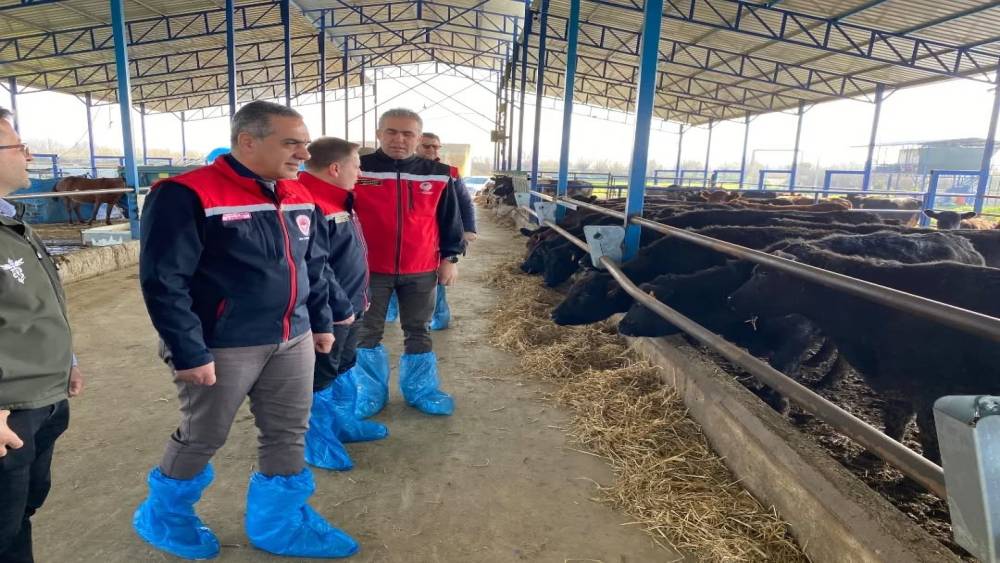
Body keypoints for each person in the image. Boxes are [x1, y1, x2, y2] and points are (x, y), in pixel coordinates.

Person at [134, 101, 358, 559]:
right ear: (247, 141)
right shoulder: (186, 194)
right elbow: (164, 281)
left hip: (293, 337)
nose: (303, 153)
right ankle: (165, 515)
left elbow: (312, 265)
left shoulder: (298, 193)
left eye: (305, 143)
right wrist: (188, 351)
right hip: (223, 343)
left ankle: (278, 524)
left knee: (288, 432)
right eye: (291, 143)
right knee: (204, 434)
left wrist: (319, 322)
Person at [0, 106, 85, 563]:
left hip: (40, 398)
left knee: (19, 515)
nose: (29, 156)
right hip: (8, 409)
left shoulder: (13, 222)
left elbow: (34, 303)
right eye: (19, 146)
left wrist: (67, 361)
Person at [351, 109, 464, 418]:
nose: (399, 139)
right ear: (379, 133)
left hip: (421, 268)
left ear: (418, 137)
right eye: (391, 132)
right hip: (369, 270)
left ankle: (421, 390)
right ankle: (368, 392)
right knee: (367, 331)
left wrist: (450, 258)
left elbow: (450, 220)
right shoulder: (358, 169)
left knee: (418, 329)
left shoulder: (438, 173)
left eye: (407, 133)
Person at [298, 137, 388, 472]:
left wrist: (358, 300)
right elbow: (314, 267)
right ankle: (318, 442)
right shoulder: (309, 204)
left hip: (352, 305)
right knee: (321, 374)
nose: (360, 173)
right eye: (356, 165)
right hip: (328, 313)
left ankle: (343, 424)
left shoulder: (339, 199)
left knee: (345, 364)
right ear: (335, 168)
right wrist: (338, 308)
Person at [415, 132, 477, 330]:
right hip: (411, 233)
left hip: (438, 233)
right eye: (427, 146)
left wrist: (469, 228)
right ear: (416, 145)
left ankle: (438, 319)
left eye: (435, 146)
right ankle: (390, 316)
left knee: (436, 278)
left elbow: (465, 201)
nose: (432, 150)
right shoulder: (402, 170)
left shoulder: (449, 172)